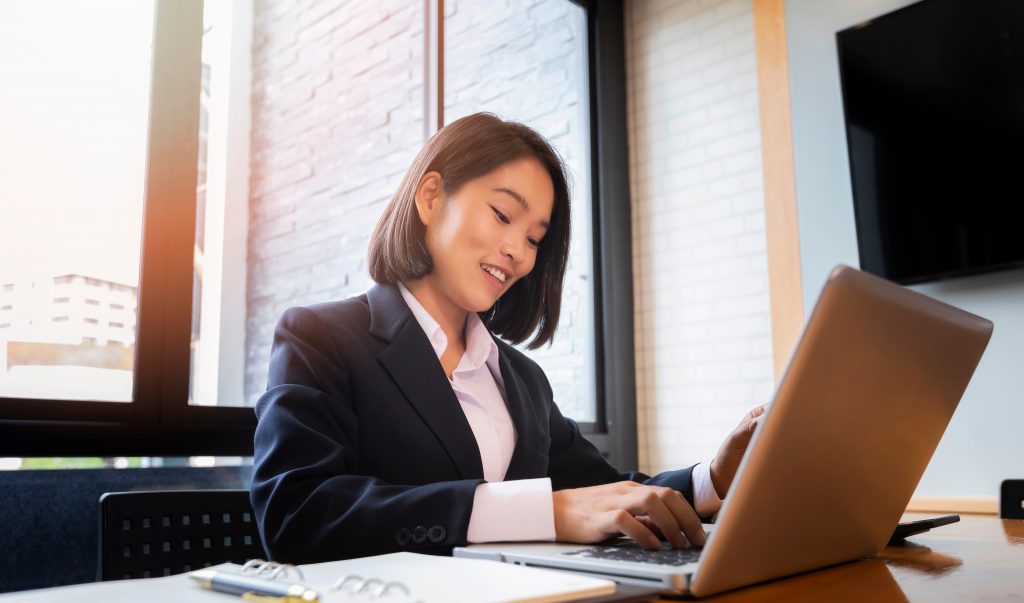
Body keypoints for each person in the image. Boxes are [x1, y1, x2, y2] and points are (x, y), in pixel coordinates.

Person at [251, 112, 763, 564]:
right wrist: (537, 512)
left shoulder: (522, 379)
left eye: (535, 238)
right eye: (502, 214)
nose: (518, 251)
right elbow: (297, 514)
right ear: (430, 197)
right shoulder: (321, 338)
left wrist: (713, 477)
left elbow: (607, 492)